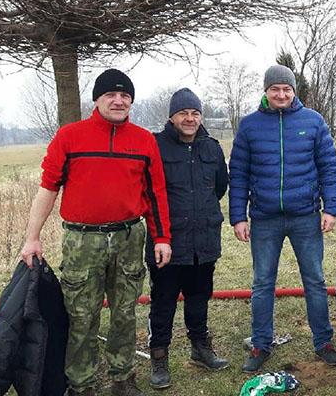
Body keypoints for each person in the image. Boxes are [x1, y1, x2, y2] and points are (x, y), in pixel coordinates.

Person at [19, 68, 172, 396]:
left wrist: (162, 238)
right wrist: (32, 237)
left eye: (125, 96)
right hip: (82, 241)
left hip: (130, 238)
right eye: (111, 95)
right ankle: (81, 383)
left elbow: (156, 194)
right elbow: (47, 188)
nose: (118, 101)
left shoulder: (145, 141)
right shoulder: (70, 137)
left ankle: (122, 378)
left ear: (131, 101)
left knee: (125, 311)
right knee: (81, 314)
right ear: (97, 99)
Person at [229, 64, 336, 373]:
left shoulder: (314, 122)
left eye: (286, 89)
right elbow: (238, 173)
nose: (281, 94)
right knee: (262, 282)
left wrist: (331, 208)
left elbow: (329, 168)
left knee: (315, 281)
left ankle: (323, 343)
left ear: (294, 91)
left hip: (306, 215)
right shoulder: (249, 126)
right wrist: (238, 215)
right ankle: (260, 343)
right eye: (275, 89)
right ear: (266, 92)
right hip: (264, 218)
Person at [146, 88, 230, 389]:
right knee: (163, 300)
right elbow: (149, 193)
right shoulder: (155, 146)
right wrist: (161, 233)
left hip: (204, 239)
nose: (190, 118)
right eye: (184, 113)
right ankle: (159, 355)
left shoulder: (212, 148)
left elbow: (220, 186)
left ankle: (200, 347)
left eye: (195, 113)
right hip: (167, 242)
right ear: (172, 116)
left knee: (199, 296)